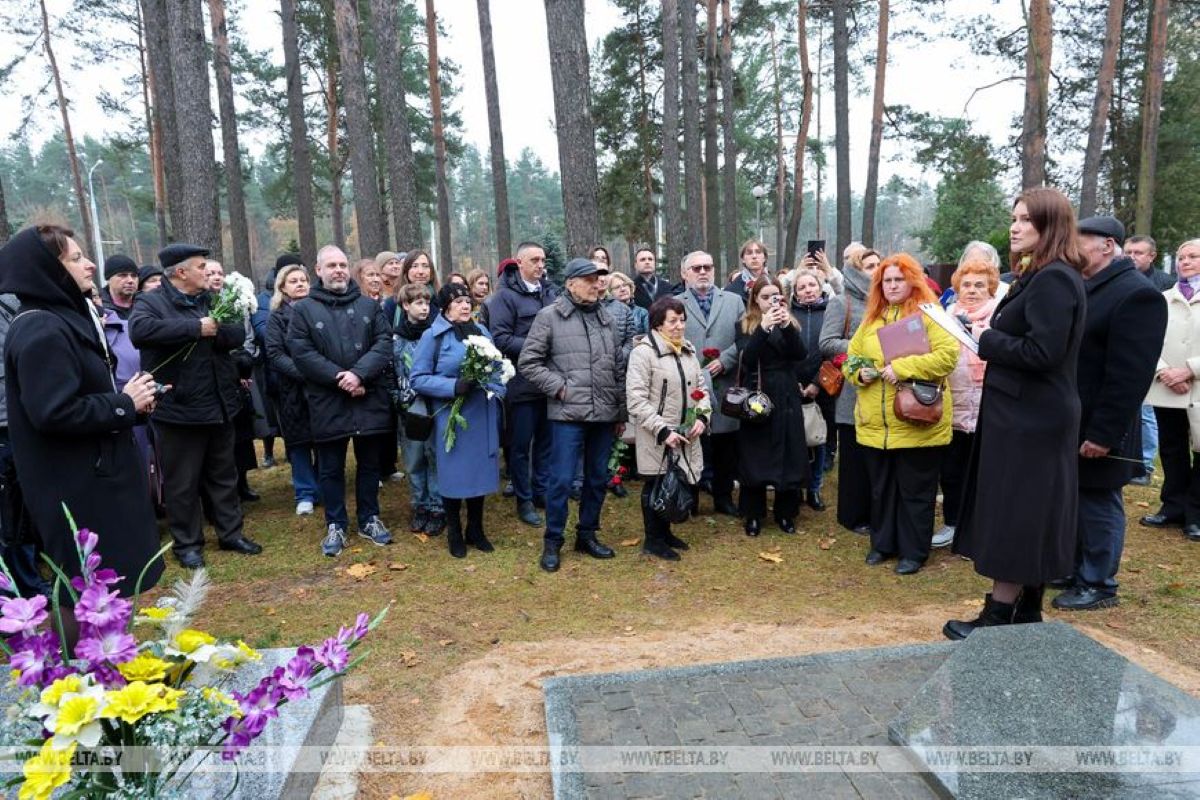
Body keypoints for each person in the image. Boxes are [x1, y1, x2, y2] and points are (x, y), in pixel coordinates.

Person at [945, 187, 1088, 639]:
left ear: (1050, 226)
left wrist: (986, 339)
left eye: (1027, 219)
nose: (1015, 226)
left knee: (1019, 513)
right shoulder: (1042, 276)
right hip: (1025, 413)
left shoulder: (1055, 280)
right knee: (1029, 513)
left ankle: (999, 615)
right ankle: (1025, 610)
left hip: (1032, 418)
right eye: (1014, 217)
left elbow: (1043, 351)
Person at [0, 227, 162, 610]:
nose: (90, 264)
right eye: (75, 258)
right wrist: (123, 404)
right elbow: (53, 412)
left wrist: (132, 405)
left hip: (94, 480)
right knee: (86, 598)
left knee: (108, 594)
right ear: (46, 270)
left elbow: (82, 395)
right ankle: (87, 668)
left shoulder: (60, 319)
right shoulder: (41, 328)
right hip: (77, 490)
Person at [1051, 216, 1167, 611]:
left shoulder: (1135, 294)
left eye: (1079, 242)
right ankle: (1073, 568)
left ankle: (1099, 582)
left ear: (1107, 245)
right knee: (1074, 498)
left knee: (1099, 501)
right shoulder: (1088, 286)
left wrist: (1103, 434)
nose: (1071, 249)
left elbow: (1129, 376)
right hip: (1073, 418)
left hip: (1103, 424)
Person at [130, 243, 262, 569]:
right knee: (182, 482)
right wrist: (195, 328)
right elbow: (141, 331)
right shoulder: (152, 301)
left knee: (224, 475)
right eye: (202, 266)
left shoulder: (211, 299)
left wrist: (213, 329)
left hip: (219, 405)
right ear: (181, 272)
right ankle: (187, 544)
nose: (208, 272)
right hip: (179, 410)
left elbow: (232, 334)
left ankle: (231, 533)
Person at [846, 254, 958, 575]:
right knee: (882, 490)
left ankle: (914, 551)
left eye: (899, 279)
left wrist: (902, 368)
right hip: (876, 424)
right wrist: (860, 373)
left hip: (916, 420)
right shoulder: (872, 319)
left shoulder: (930, 314)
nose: (893, 285)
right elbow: (851, 358)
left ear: (913, 281)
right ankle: (883, 544)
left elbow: (948, 356)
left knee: (915, 491)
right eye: (887, 280)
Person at [520, 257, 627, 572]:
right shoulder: (549, 317)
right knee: (562, 481)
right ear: (570, 283)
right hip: (567, 414)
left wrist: (620, 412)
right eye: (590, 279)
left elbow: (618, 368)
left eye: (599, 279)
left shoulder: (607, 319)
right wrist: (560, 388)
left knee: (597, 479)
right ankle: (553, 541)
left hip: (605, 414)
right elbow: (529, 362)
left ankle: (587, 534)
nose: (597, 284)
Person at [288, 245, 395, 556]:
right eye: (331, 265)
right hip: (327, 399)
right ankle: (336, 523)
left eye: (342, 265)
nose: (338, 270)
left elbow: (383, 343)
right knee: (330, 468)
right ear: (318, 271)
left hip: (368, 396)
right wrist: (340, 378)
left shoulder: (368, 306)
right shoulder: (303, 310)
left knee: (370, 464)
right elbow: (301, 352)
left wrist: (359, 375)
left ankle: (369, 518)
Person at [410, 283, 505, 558]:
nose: (465, 306)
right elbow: (418, 378)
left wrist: (497, 389)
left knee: (479, 472)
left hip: (482, 414)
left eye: (467, 300)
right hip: (452, 417)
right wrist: (452, 387)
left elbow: (498, 367)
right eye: (459, 301)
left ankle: (476, 529)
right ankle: (454, 530)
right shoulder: (434, 336)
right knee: (454, 474)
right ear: (445, 307)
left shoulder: (482, 331)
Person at [626, 296, 706, 560]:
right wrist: (662, 430)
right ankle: (653, 539)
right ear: (658, 324)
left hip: (685, 432)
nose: (679, 326)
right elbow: (636, 399)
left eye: (682, 320)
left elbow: (701, 390)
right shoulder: (643, 353)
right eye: (673, 321)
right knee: (656, 483)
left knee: (676, 480)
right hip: (657, 434)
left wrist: (701, 418)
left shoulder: (688, 351)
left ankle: (666, 533)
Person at [486, 242, 558, 527]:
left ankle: (541, 492)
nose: (541, 265)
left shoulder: (550, 294)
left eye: (543, 260)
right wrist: (538, 346)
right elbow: (500, 338)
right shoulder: (505, 297)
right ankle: (523, 499)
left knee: (545, 442)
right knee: (519, 446)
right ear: (519, 262)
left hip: (549, 383)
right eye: (535, 260)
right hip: (521, 384)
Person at [933, 258, 1001, 550]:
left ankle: (982, 529)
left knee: (986, 472)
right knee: (951, 471)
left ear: (991, 289)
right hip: (953, 403)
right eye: (966, 285)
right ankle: (952, 523)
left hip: (988, 405)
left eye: (979, 285)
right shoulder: (945, 316)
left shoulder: (999, 317)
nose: (972, 291)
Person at [735, 277, 809, 536]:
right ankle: (753, 514)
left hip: (787, 393)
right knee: (755, 454)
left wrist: (787, 325)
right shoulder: (745, 324)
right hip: (759, 394)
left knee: (789, 452)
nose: (771, 301)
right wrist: (763, 329)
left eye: (775, 296)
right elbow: (747, 359)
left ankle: (785, 512)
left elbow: (800, 354)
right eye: (765, 297)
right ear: (755, 299)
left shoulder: (790, 321)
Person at [1141, 238, 1200, 542]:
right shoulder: (1164, 298)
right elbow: (1147, 339)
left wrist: (1190, 369)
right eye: (1181, 257)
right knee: (1172, 448)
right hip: (1168, 386)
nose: (1185, 261)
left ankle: (1197, 513)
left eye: (1193, 256)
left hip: (1198, 384)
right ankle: (1173, 506)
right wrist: (1164, 370)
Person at [677, 251, 744, 516]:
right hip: (690, 385)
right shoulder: (674, 302)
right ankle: (690, 496)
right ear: (684, 274)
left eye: (707, 266)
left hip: (726, 382)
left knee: (725, 445)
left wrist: (725, 360)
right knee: (692, 440)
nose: (703, 272)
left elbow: (745, 337)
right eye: (696, 268)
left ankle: (723, 496)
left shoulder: (734, 300)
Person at [819, 247, 881, 534]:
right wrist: (865, 349)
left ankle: (877, 511)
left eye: (878, 265)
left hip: (883, 389)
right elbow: (828, 342)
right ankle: (853, 516)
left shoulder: (887, 301)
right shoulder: (842, 302)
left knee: (877, 458)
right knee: (854, 458)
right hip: (852, 390)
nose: (876, 270)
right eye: (870, 266)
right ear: (856, 270)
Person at [265, 263, 321, 516]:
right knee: (299, 444)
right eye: (293, 281)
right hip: (293, 390)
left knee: (324, 440)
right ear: (282, 287)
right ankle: (305, 493)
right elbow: (275, 354)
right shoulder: (277, 317)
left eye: (303, 280)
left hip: (321, 388)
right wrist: (305, 373)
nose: (300, 284)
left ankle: (324, 486)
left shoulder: (318, 311)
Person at [392, 283, 444, 535]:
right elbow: (390, 372)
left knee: (434, 457)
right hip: (408, 408)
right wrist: (398, 399)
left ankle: (437, 506)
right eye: (418, 303)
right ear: (405, 305)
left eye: (427, 303)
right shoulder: (396, 339)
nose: (424, 308)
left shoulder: (437, 335)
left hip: (433, 406)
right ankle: (419, 504)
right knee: (413, 460)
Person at [1124, 234, 1172, 484]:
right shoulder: (1119, 277)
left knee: (1146, 412)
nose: (1131, 257)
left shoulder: (1165, 283)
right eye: (1128, 252)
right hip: (1127, 352)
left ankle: (1145, 465)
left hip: (1155, 355)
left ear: (1152, 256)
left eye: (1138, 253)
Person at [788, 267, 833, 510]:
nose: (807, 291)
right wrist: (792, 381)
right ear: (794, 291)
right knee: (794, 438)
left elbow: (834, 352)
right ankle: (794, 486)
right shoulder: (787, 313)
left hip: (823, 386)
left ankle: (814, 488)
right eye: (801, 287)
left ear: (820, 287)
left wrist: (817, 382)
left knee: (817, 438)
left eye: (811, 285)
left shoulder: (830, 312)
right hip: (792, 385)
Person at [101, 254, 140, 319]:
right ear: (108, 279)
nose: (130, 280)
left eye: (134, 276)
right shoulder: (98, 306)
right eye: (123, 275)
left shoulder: (146, 304)